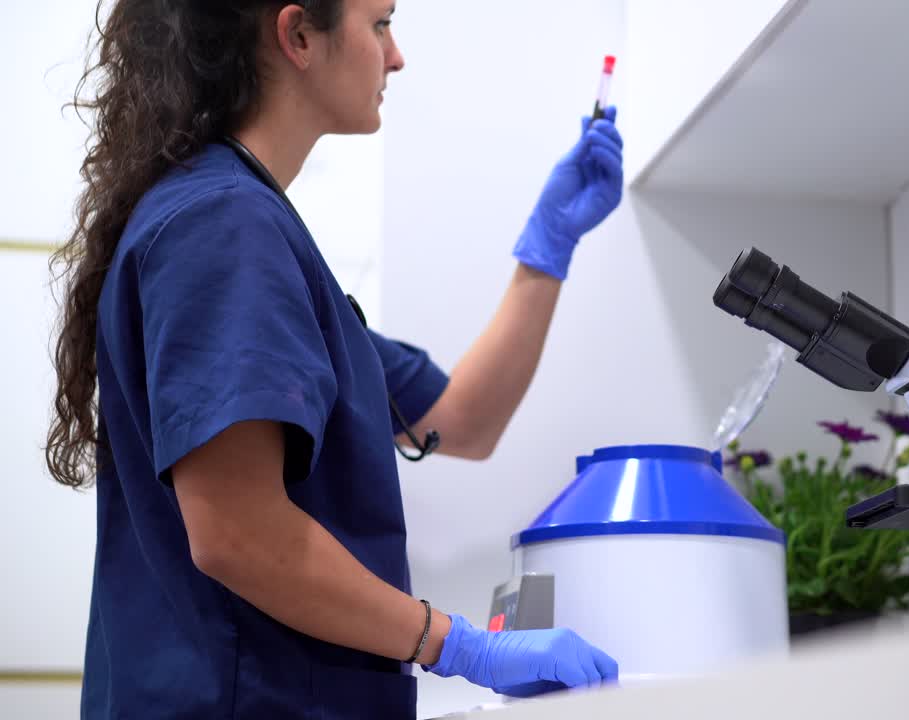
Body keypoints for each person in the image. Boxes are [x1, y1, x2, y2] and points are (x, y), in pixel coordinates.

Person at [44, 1, 625, 717]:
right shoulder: (225, 224)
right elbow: (238, 533)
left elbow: (463, 420)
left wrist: (548, 249)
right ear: (297, 35)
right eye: (380, 24)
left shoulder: (248, 228)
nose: (397, 55)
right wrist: (457, 645)